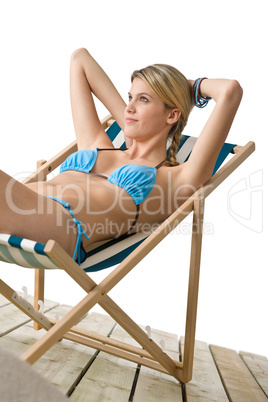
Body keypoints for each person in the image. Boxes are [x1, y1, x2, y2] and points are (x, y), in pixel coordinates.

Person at [0, 48, 243, 264]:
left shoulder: (176, 180)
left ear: (172, 115)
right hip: (21, 198)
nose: (129, 107)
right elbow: (79, 59)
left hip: (56, 224)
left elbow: (230, 91)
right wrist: (127, 122)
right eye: (130, 97)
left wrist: (185, 87)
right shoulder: (98, 144)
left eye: (144, 99)